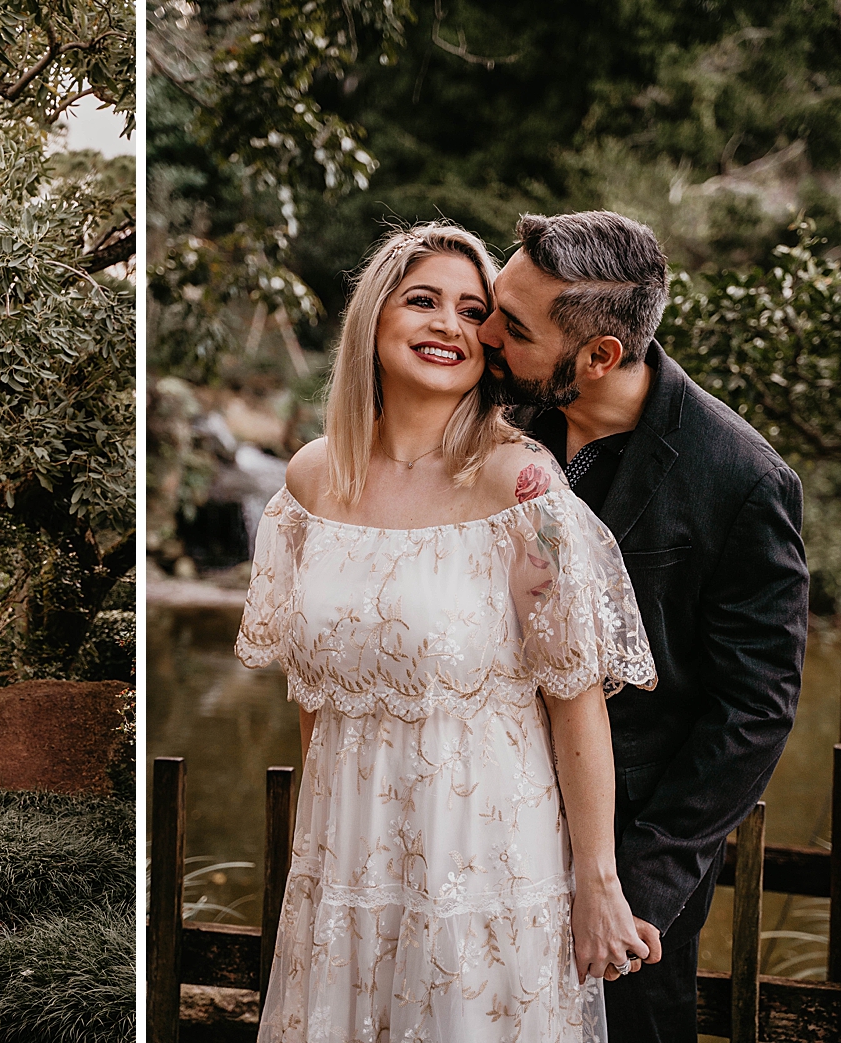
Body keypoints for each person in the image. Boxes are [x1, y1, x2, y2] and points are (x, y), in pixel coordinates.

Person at [237, 222, 659, 1042]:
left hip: (483, 858)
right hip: (344, 860)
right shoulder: (310, 481)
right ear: (374, 319)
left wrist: (596, 879)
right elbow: (314, 696)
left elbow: (575, 698)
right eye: (422, 301)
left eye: (474, 311)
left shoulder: (524, 485)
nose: (449, 325)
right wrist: (311, 858)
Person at [478, 210, 809, 1043]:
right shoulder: (490, 416)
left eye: (512, 326)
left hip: (625, 870)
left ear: (599, 355)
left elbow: (754, 707)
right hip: (474, 822)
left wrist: (639, 882)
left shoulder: (740, 477)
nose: (483, 333)